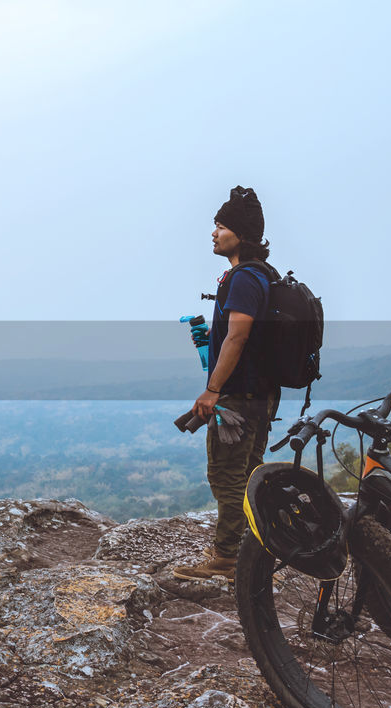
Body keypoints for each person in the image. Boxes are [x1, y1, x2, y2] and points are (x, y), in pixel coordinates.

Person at [172, 186, 279, 583]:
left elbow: (238, 336)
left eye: (220, 226)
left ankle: (227, 558)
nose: (214, 233)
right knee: (250, 474)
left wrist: (213, 389)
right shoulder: (260, 276)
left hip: (237, 399)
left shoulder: (244, 279)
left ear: (240, 232)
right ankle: (258, 552)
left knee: (227, 476)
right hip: (260, 397)